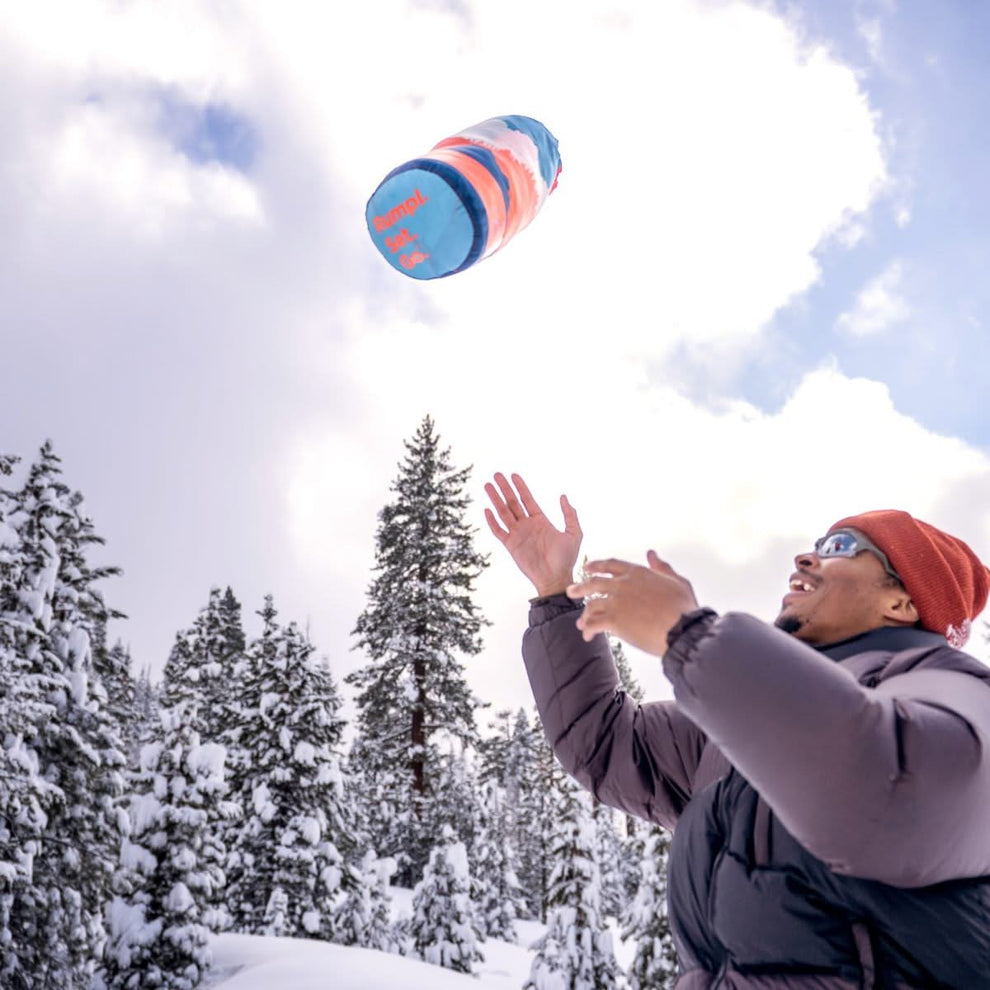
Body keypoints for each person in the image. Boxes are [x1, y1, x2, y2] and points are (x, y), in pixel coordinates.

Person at [484, 471, 990, 989]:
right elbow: (605, 742)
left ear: (902, 603)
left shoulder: (960, 694)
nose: (806, 558)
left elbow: (891, 788)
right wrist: (555, 590)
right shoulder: (744, 721)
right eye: (816, 544)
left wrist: (691, 639)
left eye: (841, 548)